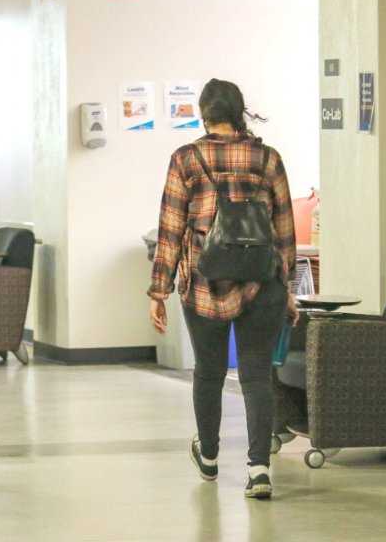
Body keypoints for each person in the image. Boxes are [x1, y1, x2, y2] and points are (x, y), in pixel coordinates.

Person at [148, 78, 298, 499]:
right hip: (261, 282)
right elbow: (285, 231)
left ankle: (210, 456)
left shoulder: (186, 159)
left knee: (209, 373)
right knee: (256, 375)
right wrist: (287, 289)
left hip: (203, 283)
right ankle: (259, 469)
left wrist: (158, 291)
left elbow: (171, 229)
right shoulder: (268, 159)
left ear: (204, 115)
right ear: (239, 112)